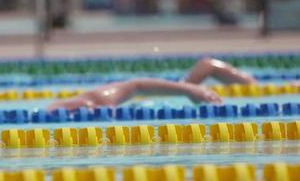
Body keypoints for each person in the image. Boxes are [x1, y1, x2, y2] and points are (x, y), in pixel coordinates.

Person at [47, 58, 259, 111]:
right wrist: (189, 88)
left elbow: (136, 85)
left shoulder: (92, 104)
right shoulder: (89, 105)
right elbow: (136, 86)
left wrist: (188, 89)